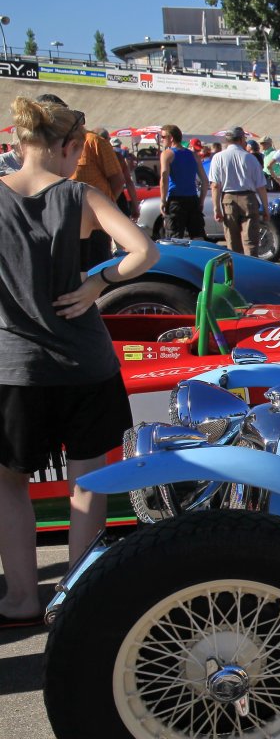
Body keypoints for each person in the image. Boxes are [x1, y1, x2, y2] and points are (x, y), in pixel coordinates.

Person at [0, 97, 156, 624]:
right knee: (87, 479)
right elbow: (145, 251)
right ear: (69, 146)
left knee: (9, 483)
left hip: (14, 367)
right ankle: (75, 595)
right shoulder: (80, 195)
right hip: (85, 364)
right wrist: (97, 283)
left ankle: (21, 598)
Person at [209, 126, 269, 256]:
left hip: (228, 199)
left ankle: (235, 266)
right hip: (248, 199)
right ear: (241, 139)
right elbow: (261, 186)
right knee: (250, 241)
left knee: (232, 241)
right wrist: (266, 208)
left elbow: (215, 185)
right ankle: (251, 266)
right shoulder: (250, 158)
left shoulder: (218, 157)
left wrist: (216, 208)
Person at [71, 128, 127, 265]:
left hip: (94, 225)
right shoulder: (55, 143)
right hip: (67, 222)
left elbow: (118, 180)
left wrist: (103, 208)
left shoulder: (93, 142)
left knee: (96, 268)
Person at [158, 123, 209, 239]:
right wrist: (201, 201)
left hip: (176, 200)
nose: (161, 140)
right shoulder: (194, 155)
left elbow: (164, 178)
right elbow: (205, 181)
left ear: (171, 138)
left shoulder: (167, 154)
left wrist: (163, 200)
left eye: (163, 137)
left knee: (174, 237)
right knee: (198, 237)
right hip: (192, 199)